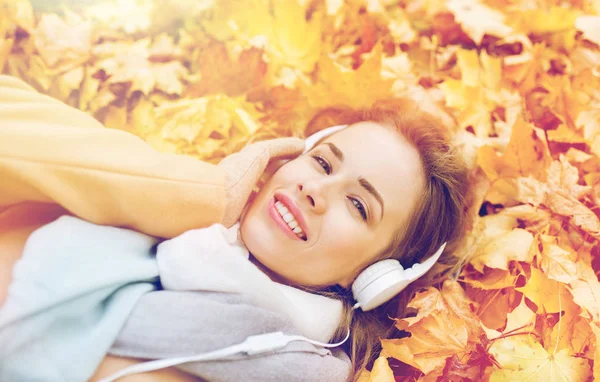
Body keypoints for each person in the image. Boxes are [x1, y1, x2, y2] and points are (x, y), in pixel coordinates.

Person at [0, 75, 469, 381]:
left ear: (376, 277)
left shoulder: (278, 364)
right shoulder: (159, 209)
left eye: (357, 204)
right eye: (322, 162)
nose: (315, 190)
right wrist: (204, 193)